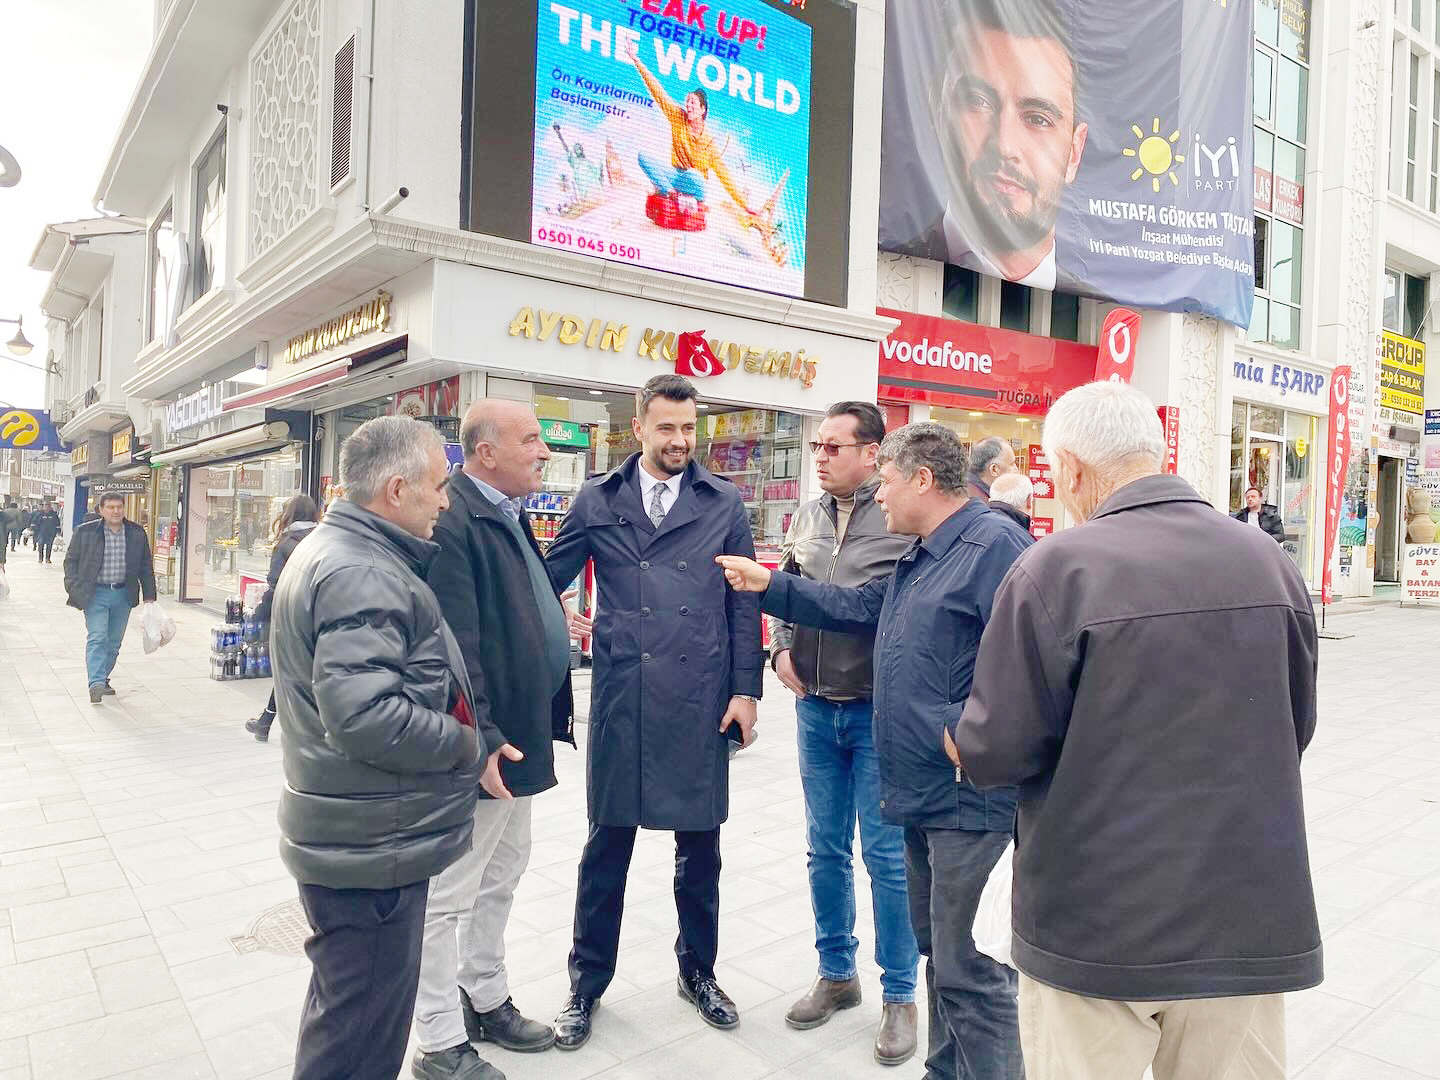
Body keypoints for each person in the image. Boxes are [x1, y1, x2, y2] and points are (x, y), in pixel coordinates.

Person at [952, 381, 1321, 1080]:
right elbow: (1294, 724)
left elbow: (997, 749)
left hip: (1096, 924)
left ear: (1076, 469)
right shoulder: (1269, 559)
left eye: (1056, 477)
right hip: (1242, 913)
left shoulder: (1057, 568)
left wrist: (957, 738)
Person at [718, 423, 1031, 1080]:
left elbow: (1025, 667)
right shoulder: (925, 550)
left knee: (972, 971)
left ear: (921, 479)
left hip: (966, 795)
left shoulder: (994, 545)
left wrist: (959, 730)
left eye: (886, 482)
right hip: (922, 787)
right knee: (943, 957)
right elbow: (857, 603)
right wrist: (769, 586)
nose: (879, 496)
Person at [271, 416, 513, 1080]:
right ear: (397, 488)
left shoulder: (344, 553)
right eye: (438, 486)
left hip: (359, 835)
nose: (446, 499)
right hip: (371, 847)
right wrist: (465, 742)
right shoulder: (361, 572)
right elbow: (367, 716)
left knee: (344, 1019)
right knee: (360, 1041)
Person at [544, 374, 763, 1049]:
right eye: (665, 428)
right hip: (623, 698)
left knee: (701, 851)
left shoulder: (722, 500)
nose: (678, 441)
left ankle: (698, 971)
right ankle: (586, 983)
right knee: (606, 848)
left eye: (687, 429)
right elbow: (546, 577)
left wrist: (745, 689)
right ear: (637, 426)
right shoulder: (596, 499)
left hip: (698, 700)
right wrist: (555, 617)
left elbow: (743, 600)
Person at [411, 400, 579, 1080]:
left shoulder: (504, 511)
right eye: (532, 439)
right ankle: (438, 1038)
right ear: (485, 452)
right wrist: (480, 740)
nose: (544, 451)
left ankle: (485, 995)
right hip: (491, 745)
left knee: (503, 874)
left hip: (523, 738)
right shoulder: (456, 519)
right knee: (451, 892)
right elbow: (456, 646)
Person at [766, 402, 921, 1066]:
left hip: (874, 712)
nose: (821, 456)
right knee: (822, 849)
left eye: (833, 446)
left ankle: (900, 994)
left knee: (886, 858)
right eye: (816, 446)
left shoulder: (899, 523)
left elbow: (872, 613)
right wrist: (779, 649)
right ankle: (837, 973)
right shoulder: (805, 516)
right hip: (814, 710)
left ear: (871, 452)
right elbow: (792, 588)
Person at [910, 0, 1088, 288]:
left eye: (1038, 119)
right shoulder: (875, 262)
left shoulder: (1103, 314)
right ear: (936, 110)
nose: (1004, 145)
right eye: (977, 102)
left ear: (1074, 154)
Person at [623, 39, 757, 219]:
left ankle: (678, 195)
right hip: (675, 176)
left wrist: (744, 204)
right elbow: (658, 92)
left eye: (693, 103)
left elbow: (723, 175)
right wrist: (636, 60)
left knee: (695, 175)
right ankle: (673, 195)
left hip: (695, 185)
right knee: (643, 157)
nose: (688, 106)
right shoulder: (678, 117)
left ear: (703, 109)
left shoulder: (709, 142)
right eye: (687, 102)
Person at [62, 492, 157, 704]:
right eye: (111, 507)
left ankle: (102, 678)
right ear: (101, 510)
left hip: (123, 594)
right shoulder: (85, 532)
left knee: (114, 642)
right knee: (97, 637)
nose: (116, 511)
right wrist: (74, 588)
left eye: (119, 507)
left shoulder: (136, 532)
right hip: (95, 594)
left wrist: (149, 596)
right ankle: (95, 683)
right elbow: (71, 561)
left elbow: (145, 565)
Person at [244, 495, 321, 742]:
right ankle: (266, 722)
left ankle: (269, 723)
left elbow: (276, 585)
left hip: (292, 616)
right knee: (304, 670)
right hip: (321, 612)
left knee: (289, 669)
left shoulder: (287, 542)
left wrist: (258, 616)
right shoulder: (322, 540)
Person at [967, 435, 1016, 499]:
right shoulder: (982, 505)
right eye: (1012, 464)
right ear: (994, 469)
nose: (1016, 469)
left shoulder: (964, 491)